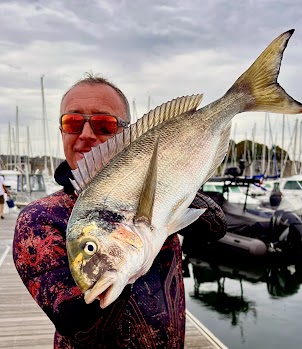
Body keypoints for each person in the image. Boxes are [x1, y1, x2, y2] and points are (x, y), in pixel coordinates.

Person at [13, 73, 227, 348]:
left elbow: (215, 227)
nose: (86, 135)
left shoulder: (158, 189)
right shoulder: (39, 217)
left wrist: (164, 177)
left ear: (127, 135)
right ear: (62, 131)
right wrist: (115, 256)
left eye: (104, 125)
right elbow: (75, 326)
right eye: (73, 122)